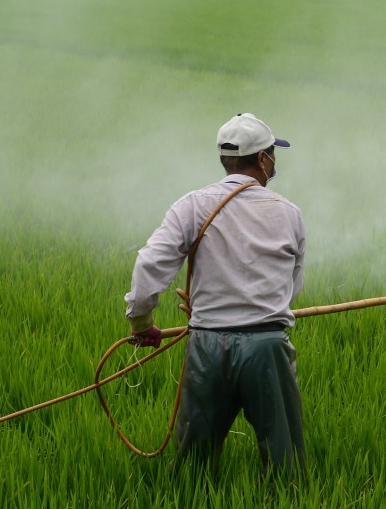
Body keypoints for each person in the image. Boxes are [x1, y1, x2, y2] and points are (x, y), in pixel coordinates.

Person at [124, 112, 306, 484]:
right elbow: (291, 289)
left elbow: (149, 264)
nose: (273, 161)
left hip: (206, 345)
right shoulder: (289, 214)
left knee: (194, 465)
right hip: (267, 347)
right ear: (262, 159)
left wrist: (142, 323)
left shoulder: (192, 205)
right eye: (272, 153)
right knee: (284, 461)